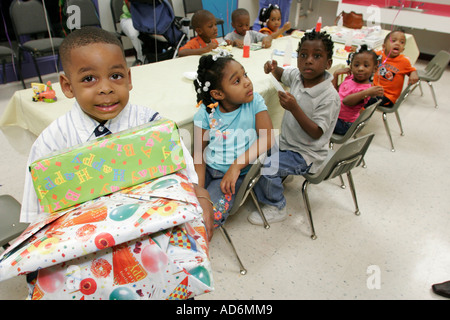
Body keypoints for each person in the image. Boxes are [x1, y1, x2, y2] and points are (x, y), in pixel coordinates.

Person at [20, 27, 214, 241]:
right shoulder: (51, 143)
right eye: (88, 79)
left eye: (115, 76)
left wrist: (202, 195)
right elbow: (39, 218)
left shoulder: (154, 126)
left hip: (150, 234)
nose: (105, 88)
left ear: (129, 78)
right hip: (85, 243)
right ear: (67, 86)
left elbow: (186, 179)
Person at [248, 30, 340, 225]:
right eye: (303, 55)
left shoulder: (329, 96)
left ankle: (276, 205)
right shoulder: (299, 76)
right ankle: (278, 176)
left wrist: (294, 108)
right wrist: (273, 67)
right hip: (287, 142)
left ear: (328, 63)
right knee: (256, 149)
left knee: (267, 165)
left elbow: (316, 132)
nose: (308, 61)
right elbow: (282, 74)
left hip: (306, 153)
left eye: (317, 56)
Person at [193, 52, 274, 228]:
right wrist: (199, 190)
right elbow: (198, 154)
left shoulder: (254, 102)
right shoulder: (205, 113)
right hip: (208, 170)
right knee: (187, 204)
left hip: (232, 176)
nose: (247, 82)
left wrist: (236, 166)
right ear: (218, 93)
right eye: (236, 81)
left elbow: (267, 138)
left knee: (207, 218)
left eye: (244, 74)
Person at [332, 45, 384, 135]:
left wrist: (367, 93)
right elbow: (333, 93)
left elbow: (346, 101)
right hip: (335, 116)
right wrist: (336, 74)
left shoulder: (365, 89)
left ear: (374, 69)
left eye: (366, 66)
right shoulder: (350, 78)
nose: (360, 69)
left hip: (344, 124)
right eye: (356, 65)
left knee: (313, 119)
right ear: (351, 66)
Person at [370, 29, 419, 107]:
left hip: (388, 97)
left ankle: (356, 118)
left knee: (362, 100)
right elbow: (369, 54)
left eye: (402, 42)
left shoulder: (404, 61)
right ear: (384, 46)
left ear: (403, 49)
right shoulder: (380, 54)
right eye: (393, 40)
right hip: (373, 90)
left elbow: (412, 70)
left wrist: (414, 73)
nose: (398, 44)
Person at [119, 0, 145, 65]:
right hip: (129, 18)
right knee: (134, 34)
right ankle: (141, 58)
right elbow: (131, 9)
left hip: (147, 17)